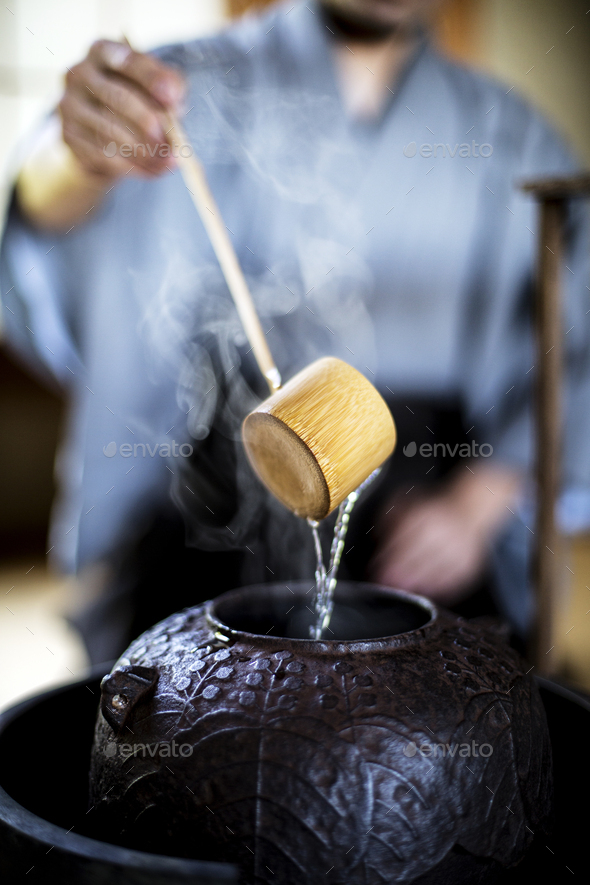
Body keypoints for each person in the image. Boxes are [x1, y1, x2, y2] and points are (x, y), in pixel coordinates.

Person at [2, 0, 589, 662]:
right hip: (202, 506)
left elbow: (577, 347)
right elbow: (52, 215)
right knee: (172, 702)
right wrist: (78, 154)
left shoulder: (511, 133)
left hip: (431, 510)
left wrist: (481, 501)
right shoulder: (177, 87)